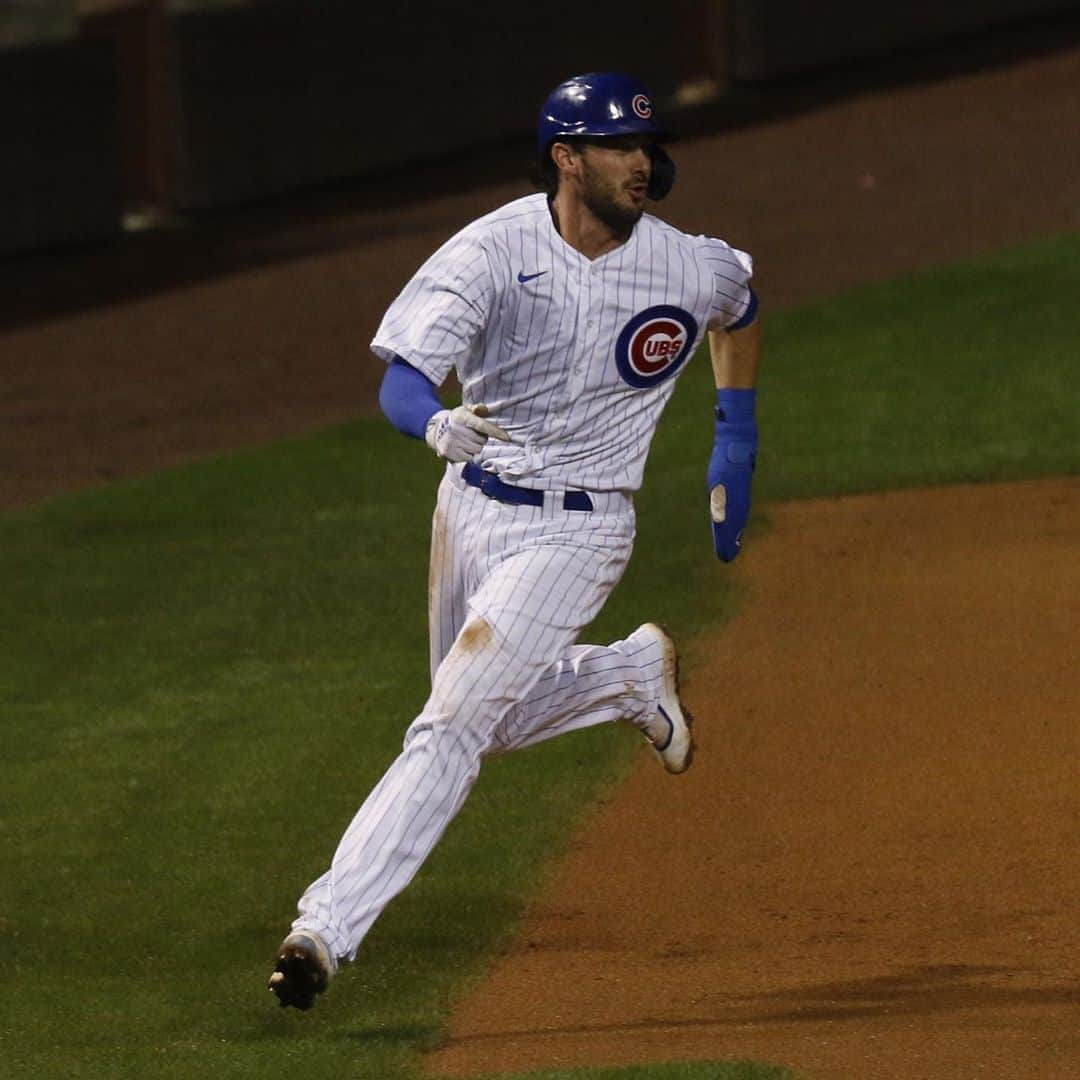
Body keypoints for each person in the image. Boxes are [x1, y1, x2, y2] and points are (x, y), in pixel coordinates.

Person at [268, 71, 760, 1010]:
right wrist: (432, 425)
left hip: (581, 531)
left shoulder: (687, 265)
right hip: (472, 511)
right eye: (617, 148)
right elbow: (404, 376)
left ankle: (324, 930)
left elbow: (743, 306)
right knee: (481, 725)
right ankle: (623, 677)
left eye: (646, 147)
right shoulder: (493, 250)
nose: (640, 164)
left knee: (450, 722)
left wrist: (735, 433)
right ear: (566, 158)